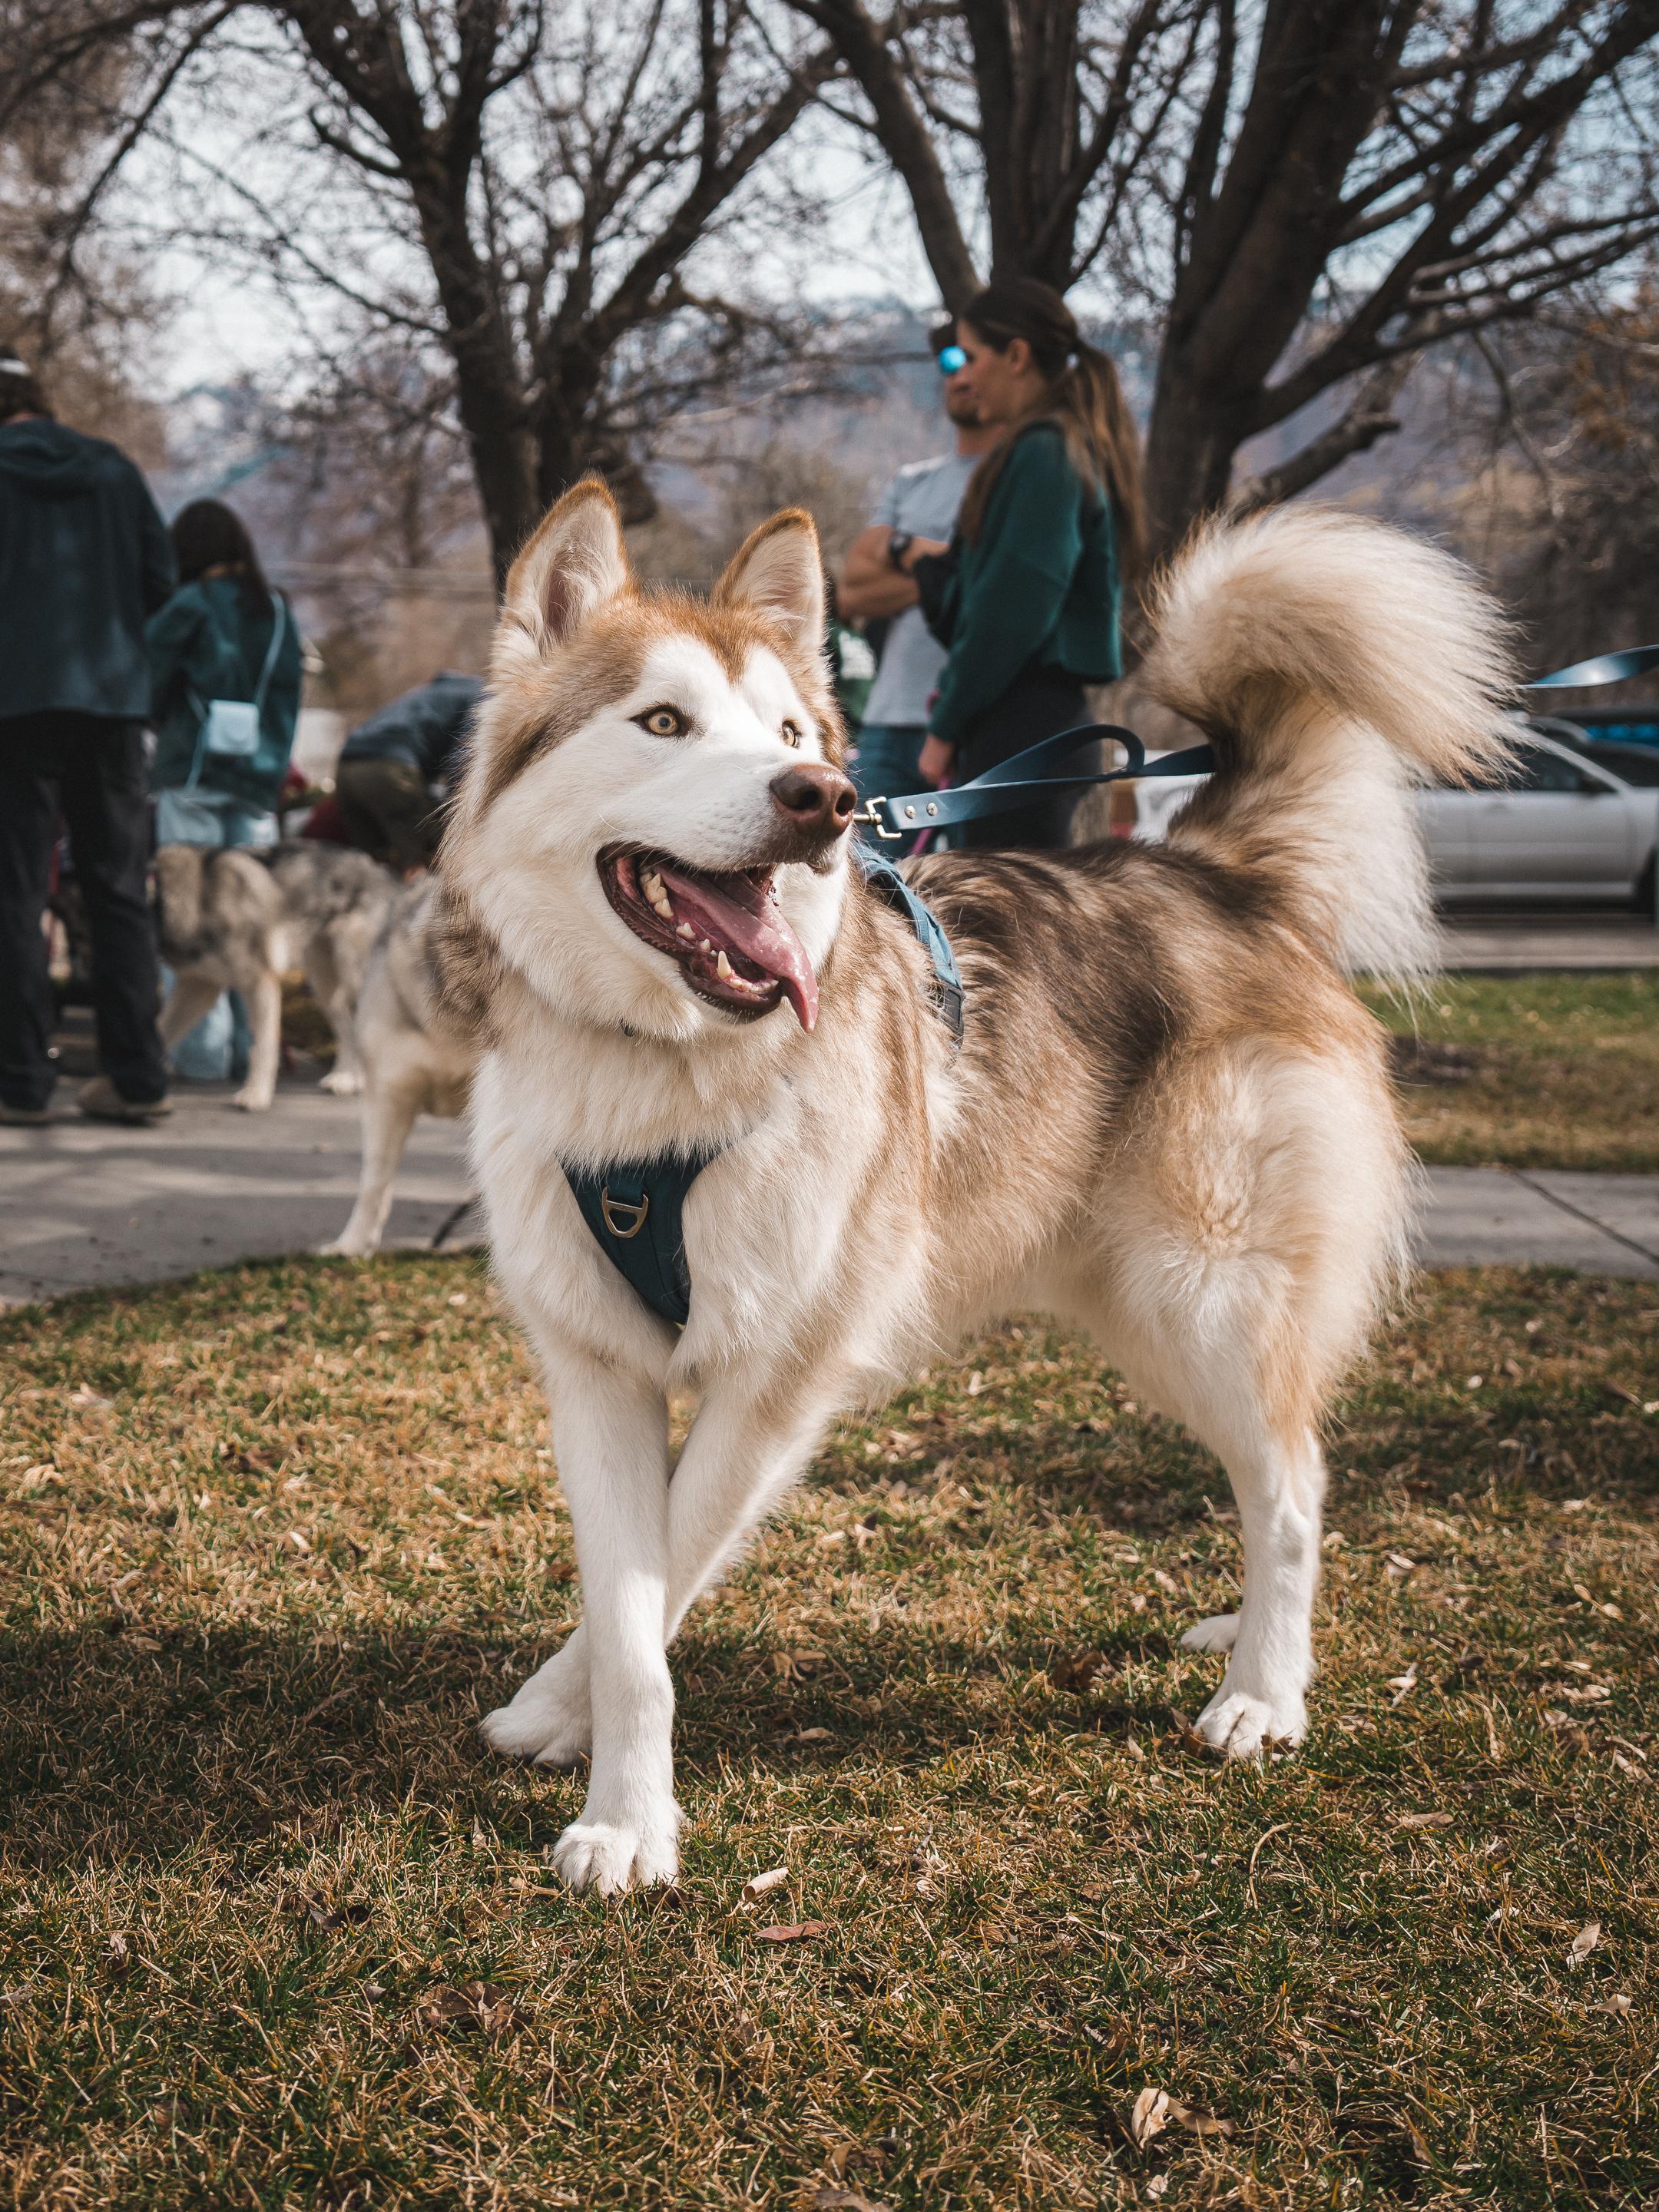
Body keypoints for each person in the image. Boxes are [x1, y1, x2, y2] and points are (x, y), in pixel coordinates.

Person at [902, 276, 1146, 850]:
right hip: (1029, 730)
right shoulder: (1058, 447)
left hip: (1025, 729)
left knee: (1004, 905)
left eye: (970, 356)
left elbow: (1010, 611)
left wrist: (945, 728)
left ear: (1015, 356)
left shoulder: (1046, 453)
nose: (962, 376)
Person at [0, 346, 177, 1126]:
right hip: (111, 705)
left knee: (16, 894)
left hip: (13, 708)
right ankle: (138, 1079)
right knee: (118, 890)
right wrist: (123, 664)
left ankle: (21, 1085)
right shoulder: (112, 469)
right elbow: (163, 586)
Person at [147, 500, 303, 1078]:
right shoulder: (279, 610)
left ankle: (201, 1058)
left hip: (192, 774)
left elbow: (147, 678)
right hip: (258, 780)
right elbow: (290, 697)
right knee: (251, 927)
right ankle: (250, 1054)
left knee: (192, 926)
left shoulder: (190, 604)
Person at [838, 324, 999, 850]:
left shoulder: (1016, 482)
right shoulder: (912, 481)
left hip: (978, 720)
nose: (959, 374)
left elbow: (1000, 588)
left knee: (979, 887)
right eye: (949, 362)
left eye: (971, 359)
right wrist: (947, 568)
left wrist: (902, 555)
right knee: (863, 880)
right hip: (888, 721)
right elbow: (854, 590)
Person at [333, 671, 483, 873]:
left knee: (375, 866)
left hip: (346, 767)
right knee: (435, 860)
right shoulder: (480, 695)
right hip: (390, 769)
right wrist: (461, 822)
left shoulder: (427, 692)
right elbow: (462, 762)